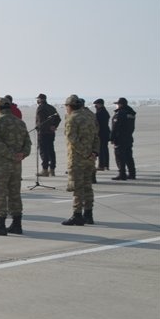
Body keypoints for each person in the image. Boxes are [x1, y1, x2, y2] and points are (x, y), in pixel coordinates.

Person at [0, 96, 32, 236]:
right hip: (16, 166)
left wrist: (11, 155)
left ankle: (0, 226)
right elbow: (28, 143)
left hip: (0, 166)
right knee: (14, 194)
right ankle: (17, 224)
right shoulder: (20, 123)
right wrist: (21, 154)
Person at [61, 95, 99, 226]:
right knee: (88, 186)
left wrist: (86, 153)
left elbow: (73, 140)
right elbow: (96, 136)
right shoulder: (90, 116)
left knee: (77, 188)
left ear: (70, 106)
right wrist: (94, 152)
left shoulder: (72, 119)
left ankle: (77, 215)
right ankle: (88, 214)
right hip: (90, 159)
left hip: (78, 159)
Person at [110, 97, 136, 180]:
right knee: (129, 156)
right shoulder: (131, 113)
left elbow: (115, 127)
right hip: (128, 137)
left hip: (120, 138)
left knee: (120, 157)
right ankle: (132, 173)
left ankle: (122, 174)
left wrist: (112, 138)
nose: (117, 106)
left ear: (121, 104)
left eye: (117, 104)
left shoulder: (120, 114)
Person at [34, 94, 60, 177]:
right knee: (51, 150)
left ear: (40, 100)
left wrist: (42, 127)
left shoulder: (41, 108)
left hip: (43, 132)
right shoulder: (51, 107)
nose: (37, 101)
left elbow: (41, 121)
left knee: (43, 151)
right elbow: (58, 118)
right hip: (51, 133)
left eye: (38, 99)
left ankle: (45, 170)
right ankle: (52, 169)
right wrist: (54, 126)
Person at [93, 98, 111, 172]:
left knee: (101, 149)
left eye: (96, 104)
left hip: (101, 133)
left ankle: (101, 165)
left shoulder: (100, 113)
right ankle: (106, 165)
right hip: (105, 133)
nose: (96, 106)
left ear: (100, 104)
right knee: (105, 149)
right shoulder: (104, 112)